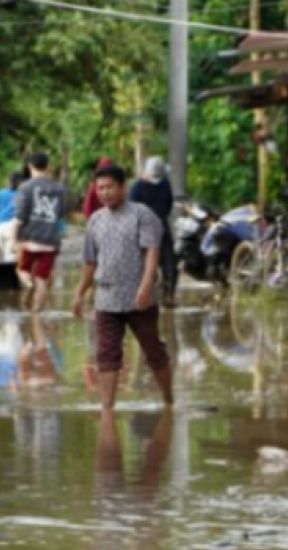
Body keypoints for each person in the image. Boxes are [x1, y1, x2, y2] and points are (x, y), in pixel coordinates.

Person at [74, 164, 173, 410]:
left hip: (140, 299)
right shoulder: (95, 220)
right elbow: (90, 261)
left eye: (109, 187)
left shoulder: (142, 215)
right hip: (106, 298)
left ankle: (168, 398)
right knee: (106, 356)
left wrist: (146, 285)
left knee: (153, 351)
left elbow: (152, 252)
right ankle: (107, 408)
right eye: (100, 188)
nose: (104, 193)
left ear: (122, 187)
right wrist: (80, 293)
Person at [14, 152, 67, 313]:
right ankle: (37, 313)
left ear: (30, 166)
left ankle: (28, 285)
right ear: (47, 166)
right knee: (42, 279)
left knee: (22, 270)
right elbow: (61, 214)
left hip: (30, 240)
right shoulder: (59, 188)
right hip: (50, 241)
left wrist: (14, 238)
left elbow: (20, 217)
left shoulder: (25, 187)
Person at [129, 156, 178, 307]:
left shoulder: (164, 184)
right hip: (144, 230)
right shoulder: (138, 187)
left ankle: (168, 295)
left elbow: (169, 203)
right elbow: (131, 210)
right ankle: (148, 295)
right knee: (146, 265)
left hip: (160, 228)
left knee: (170, 264)